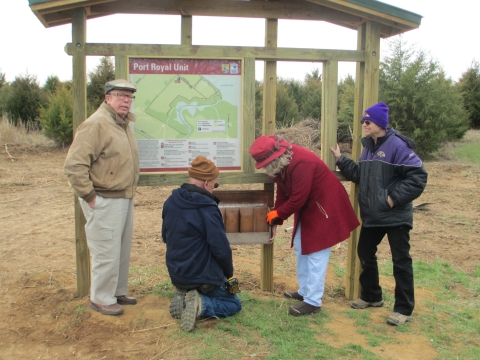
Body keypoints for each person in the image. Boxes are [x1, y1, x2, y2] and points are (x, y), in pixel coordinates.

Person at [330, 101, 428, 326]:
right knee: (364, 251)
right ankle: (372, 295)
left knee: (400, 261)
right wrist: (341, 159)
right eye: (363, 121)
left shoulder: (398, 146)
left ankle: (403, 309)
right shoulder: (368, 147)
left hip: (395, 216)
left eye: (368, 121)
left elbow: (418, 178)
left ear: (380, 124)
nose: (364, 124)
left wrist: (392, 199)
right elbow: (360, 175)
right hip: (373, 216)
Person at [249, 136, 360, 316]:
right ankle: (305, 291)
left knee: (317, 252)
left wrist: (279, 213)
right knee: (301, 246)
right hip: (310, 205)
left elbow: (297, 198)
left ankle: (313, 301)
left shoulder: (302, 163)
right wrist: (277, 219)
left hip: (326, 205)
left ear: (276, 157)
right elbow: (284, 193)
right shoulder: (281, 164)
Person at [64, 79, 140, 316]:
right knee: (105, 249)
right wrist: (90, 197)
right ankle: (100, 297)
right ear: (107, 98)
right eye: (120, 95)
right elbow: (74, 165)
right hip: (104, 198)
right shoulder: (96, 124)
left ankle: (116, 291)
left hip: (124, 197)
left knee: (120, 249)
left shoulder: (122, 124)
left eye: (129, 97)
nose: (126, 100)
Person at [161, 155, 242, 332]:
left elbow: (165, 237)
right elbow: (221, 249)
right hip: (202, 277)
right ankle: (201, 304)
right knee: (234, 304)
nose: (214, 188)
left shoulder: (170, 202)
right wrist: (228, 275)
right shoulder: (207, 208)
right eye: (214, 184)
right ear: (206, 183)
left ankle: (184, 292)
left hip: (177, 273)